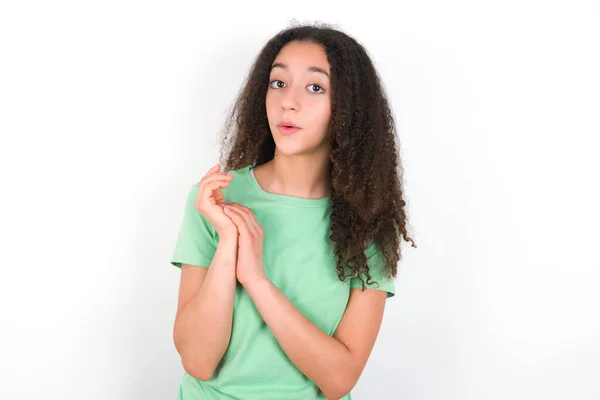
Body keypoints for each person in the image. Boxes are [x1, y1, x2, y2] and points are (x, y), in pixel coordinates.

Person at [170, 22, 417, 400]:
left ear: (349, 109)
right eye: (278, 83)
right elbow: (199, 362)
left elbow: (339, 380)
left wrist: (256, 279)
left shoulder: (368, 222)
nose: (289, 101)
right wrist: (228, 245)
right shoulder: (214, 200)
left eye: (315, 87)